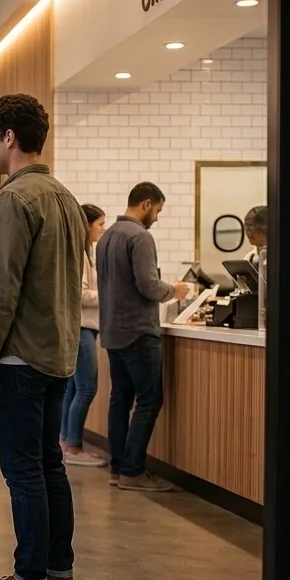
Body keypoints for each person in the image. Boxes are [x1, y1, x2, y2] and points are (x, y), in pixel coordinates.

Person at [0, 93, 85, 580]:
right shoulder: (65, 198)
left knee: (23, 472)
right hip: (59, 355)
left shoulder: (13, 200)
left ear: (9, 137)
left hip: (20, 360)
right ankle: (59, 573)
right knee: (50, 466)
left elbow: (0, 290)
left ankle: (29, 579)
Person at [96, 182, 191, 492]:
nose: (157, 218)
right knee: (149, 399)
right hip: (138, 332)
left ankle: (117, 468)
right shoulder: (140, 237)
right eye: (158, 210)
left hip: (112, 331)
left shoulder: (106, 237)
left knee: (120, 400)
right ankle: (133, 471)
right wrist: (174, 291)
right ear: (147, 203)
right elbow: (149, 286)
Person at [61, 204, 107, 467]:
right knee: (87, 388)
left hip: (81, 327)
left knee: (73, 388)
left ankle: (65, 442)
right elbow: (78, 294)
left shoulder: (85, 252)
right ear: (87, 225)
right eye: (100, 224)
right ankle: (74, 447)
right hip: (81, 328)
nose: (102, 229)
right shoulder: (79, 253)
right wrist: (109, 296)